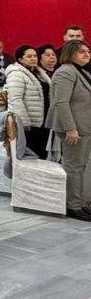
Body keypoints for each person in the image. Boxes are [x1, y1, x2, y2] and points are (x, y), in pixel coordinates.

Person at [46, 40, 91, 221]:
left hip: (84, 125)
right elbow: (61, 102)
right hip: (74, 127)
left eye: (88, 51)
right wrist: (70, 128)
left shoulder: (82, 71)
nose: (86, 54)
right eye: (81, 52)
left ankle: (80, 202)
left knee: (81, 166)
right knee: (74, 166)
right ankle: (73, 206)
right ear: (70, 53)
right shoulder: (65, 71)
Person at [5, 45, 52, 159]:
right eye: (29, 56)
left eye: (35, 56)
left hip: (43, 121)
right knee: (30, 155)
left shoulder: (39, 73)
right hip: (29, 124)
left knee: (42, 154)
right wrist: (24, 122)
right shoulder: (16, 74)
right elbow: (16, 99)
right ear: (20, 59)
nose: (33, 58)